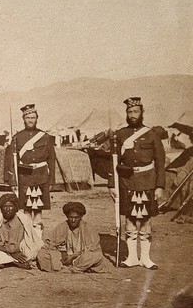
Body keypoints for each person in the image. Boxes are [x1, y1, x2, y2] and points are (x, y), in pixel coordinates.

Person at [109, 97, 165, 270]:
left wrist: (160, 186)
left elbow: (160, 162)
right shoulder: (120, 135)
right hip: (127, 182)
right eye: (129, 112)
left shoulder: (151, 134)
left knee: (146, 220)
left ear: (142, 113)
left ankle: (146, 258)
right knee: (130, 221)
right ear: (126, 114)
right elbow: (113, 162)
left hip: (147, 182)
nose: (132, 115)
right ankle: (132, 258)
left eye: (136, 111)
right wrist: (112, 184)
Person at [4, 103, 55, 237]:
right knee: (25, 210)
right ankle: (27, 239)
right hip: (24, 177)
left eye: (33, 117)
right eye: (28, 118)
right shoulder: (17, 138)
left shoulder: (45, 137)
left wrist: (51, 181)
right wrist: (12, 181)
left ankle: (37, 239)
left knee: (38, 211)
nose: (30, 120)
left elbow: (51, 160)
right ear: (23, 119)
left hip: (41, 176)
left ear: (37, 118)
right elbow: (10, 161)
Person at [0, 193, 43, 271]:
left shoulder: (22, 220)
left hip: (19, 248)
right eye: (5, 206)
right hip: (3, 249)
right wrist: (10, 252)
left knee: (31, 252)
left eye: (10, 206)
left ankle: (8, 261)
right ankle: (14, 263)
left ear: (15, 208)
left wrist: (15, 251)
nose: (7, 209)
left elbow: (26, 239)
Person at [37, 202, 110, 273]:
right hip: (65, 258)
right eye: (71, 217)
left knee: (96, 256)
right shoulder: (62, 227)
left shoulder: (88, 228)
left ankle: (75, 268)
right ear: (67, 216)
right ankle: (72, 268)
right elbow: (51, 244)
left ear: (81, 217)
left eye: (76, 217)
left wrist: (73, 257)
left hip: (81, 257)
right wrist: (63, 255)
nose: (73, 220)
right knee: (42, 254)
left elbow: (93, 249)